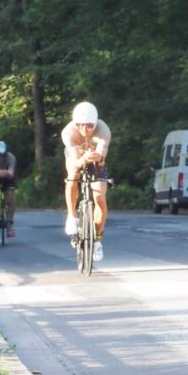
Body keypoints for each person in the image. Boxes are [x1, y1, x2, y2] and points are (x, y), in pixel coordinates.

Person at [61, 102, 111, 262]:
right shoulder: (68, 132)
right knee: (72, 176)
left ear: (95, 123)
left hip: (96, 162)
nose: (85, 130)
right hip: (76, 158)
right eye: (80, 126)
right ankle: (71, 216)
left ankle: (97, 240)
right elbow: (75, 162)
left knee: (100, 199)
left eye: (89, 126)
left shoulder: (103, 129)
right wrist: (82, 158)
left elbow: (102, 155)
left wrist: (98, 156)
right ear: (75, 124)